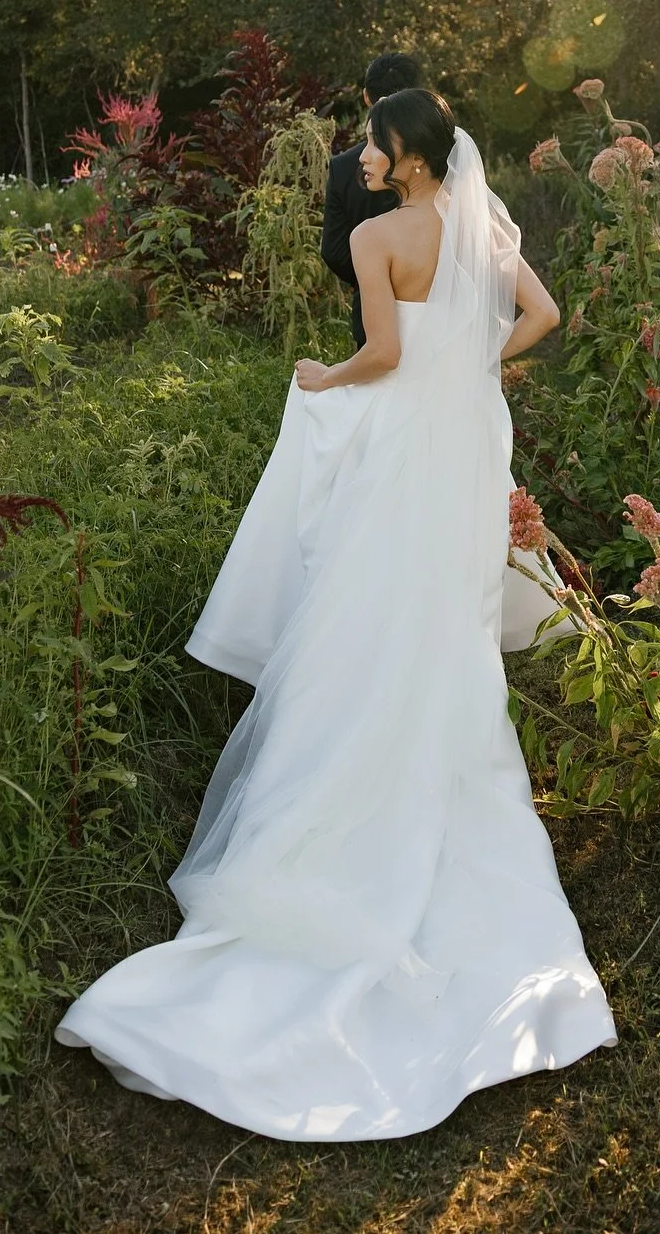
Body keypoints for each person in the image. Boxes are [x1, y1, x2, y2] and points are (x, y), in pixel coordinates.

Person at [56, 90, 616, 1141]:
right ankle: (436, 770)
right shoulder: (486, 229)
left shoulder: (376, 235)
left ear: (406, 157)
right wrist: (474, 363)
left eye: (371, 139)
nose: (359, 153)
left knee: (364, 612)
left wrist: (321, 372)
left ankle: (347, 790)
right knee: (445, 622)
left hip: (405, 449)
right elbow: (542, 317)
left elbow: (383, 357)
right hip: (467, 446)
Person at [321, 52, 423, 350]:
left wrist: (373, 278)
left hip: (371, 312)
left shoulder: (343, 166)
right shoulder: (444, 158)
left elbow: (334, 250)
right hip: (440, 308)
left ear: (366, 97)